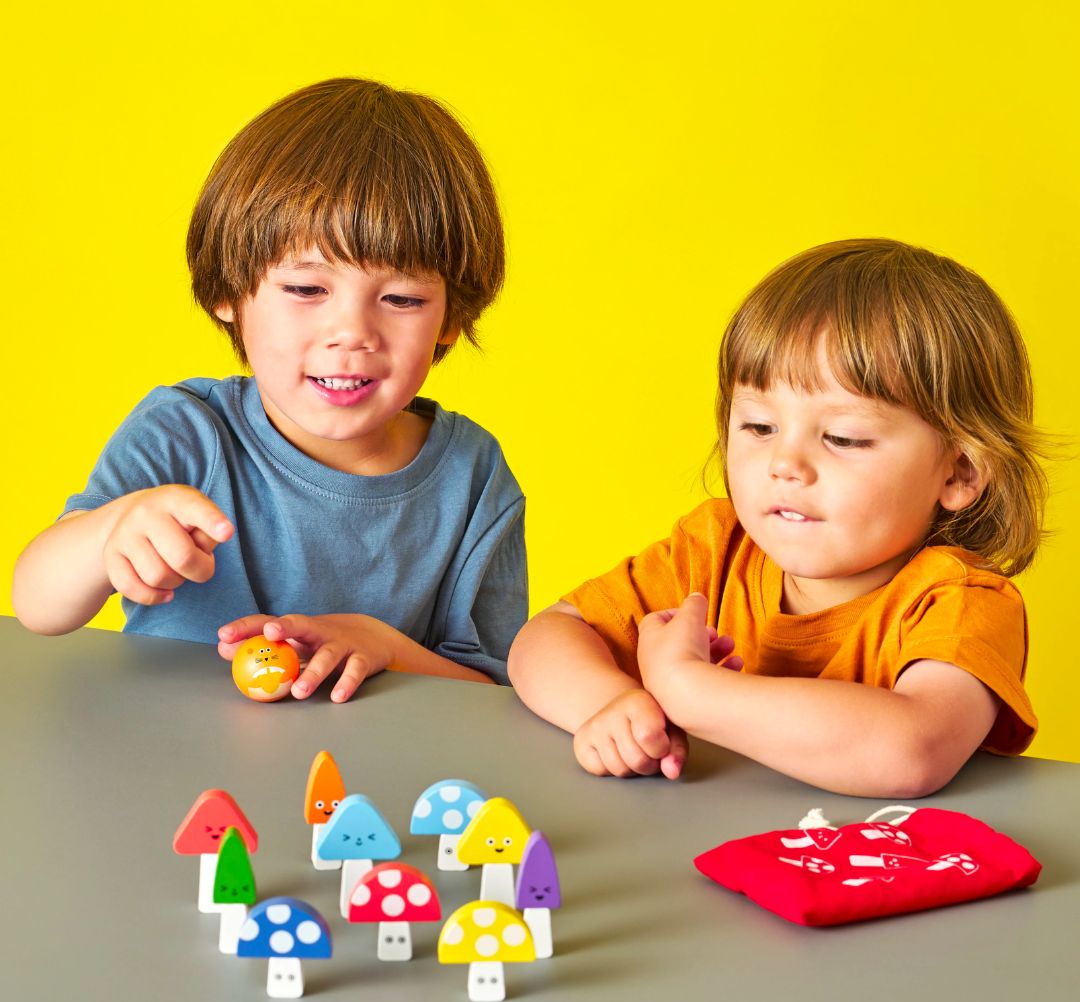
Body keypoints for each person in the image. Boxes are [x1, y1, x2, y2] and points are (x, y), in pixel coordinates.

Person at [13, 78, 526, 698]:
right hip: (180, 771)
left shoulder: (473, 474)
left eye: (401, 298)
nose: (351, 333)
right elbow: (39, 607)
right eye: (307, 289)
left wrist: (383, 645)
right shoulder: (185, 432)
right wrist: (108, 532)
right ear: (229, 292)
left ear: (450, 318)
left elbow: (492, 691)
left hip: (370, 786)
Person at [508, 239, 1049, 797]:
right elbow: (547, 636)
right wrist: (611, 706)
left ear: (958, 472)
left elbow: (912, 751)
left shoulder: (961, 603)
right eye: (760, 428)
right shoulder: (716, 547)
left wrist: (691, 692)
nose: (785, 464)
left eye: (843, 437)